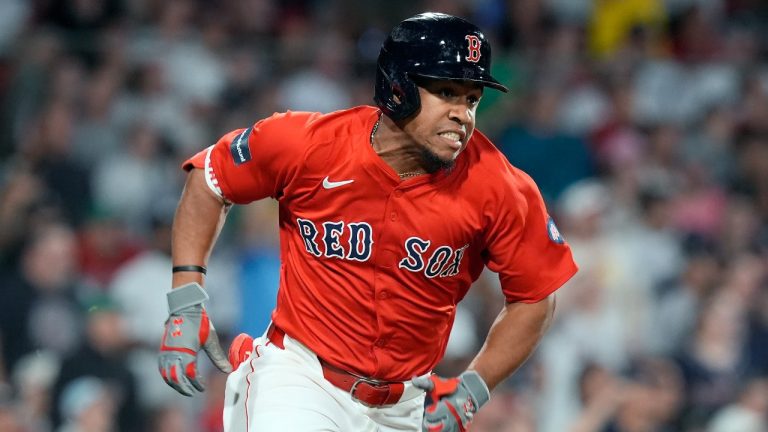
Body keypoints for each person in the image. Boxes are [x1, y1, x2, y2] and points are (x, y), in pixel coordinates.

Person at [158, 12, 577, 432]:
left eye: (471, 99)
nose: (462, 115)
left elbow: (535, 295)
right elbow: (211, 179)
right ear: (398, 87)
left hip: (407, 404)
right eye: (446, 92)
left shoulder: (500, 186)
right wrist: (186, 298)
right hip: (300, 380)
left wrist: (474, 387)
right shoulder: (308, 144)